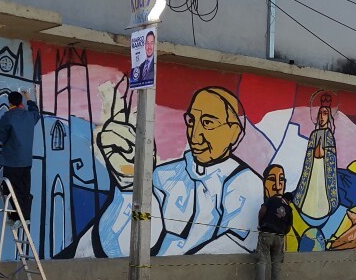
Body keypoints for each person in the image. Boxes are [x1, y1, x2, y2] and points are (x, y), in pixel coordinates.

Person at [91, 85, 262, 257]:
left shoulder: (247, 184)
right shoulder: (164, 176)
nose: (195, 136)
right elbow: (120, 245)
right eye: (191, 121)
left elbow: (234, 247)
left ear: (235, 132)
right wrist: (130, 185)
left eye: (208, 123)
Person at [0, 89, 40, 225]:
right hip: (26, 160)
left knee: (10, 189)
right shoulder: (29, 116)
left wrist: (8, 140)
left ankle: (20, 217)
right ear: (21, 102)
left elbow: (0, 135)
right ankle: (24, 217)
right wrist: (29, 98)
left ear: (9, 102)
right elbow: (36, 113)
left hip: (12, 160)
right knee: (24, 189)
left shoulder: (8, 116)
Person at [294, 97, 339, 219]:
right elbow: (309, 155)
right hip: (313, 168)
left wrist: (325, 152)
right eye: (320, 113)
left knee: (322, 193)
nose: (322, 116)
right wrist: (314, 153)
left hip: (323, 170)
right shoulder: (313, 134)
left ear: (329, 116)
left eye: (325, 113)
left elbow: (331, 155)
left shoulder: (329, 134)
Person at [252, 190, 293, 280]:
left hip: (266, 233)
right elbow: (289, 227)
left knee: (261, 259)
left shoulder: (272, 200)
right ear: (289, 200)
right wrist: (282, 233)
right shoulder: (289, 209)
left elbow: (262, 210)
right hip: (279, 237)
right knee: (276, 262)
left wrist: (260, 224)